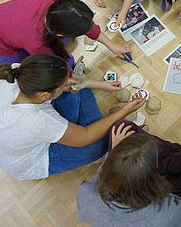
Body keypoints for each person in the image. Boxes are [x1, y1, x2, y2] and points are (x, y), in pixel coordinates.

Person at [0, 54, 145, 180]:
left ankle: (75, 120)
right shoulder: (38, 119)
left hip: (18, 139)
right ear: (44, 95)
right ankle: (91, 138)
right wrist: (124, 111)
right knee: (104, 141)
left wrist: (95, 84)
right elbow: (85, 136)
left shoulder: (18, 75)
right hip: (32, 160)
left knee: (75, 90)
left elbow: (71, 84)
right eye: (63, 84)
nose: (70, 81)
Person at [77, 121, 181, 227]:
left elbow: (103, 176)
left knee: (121, 126)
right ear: (154, 180)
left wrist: (115, 151)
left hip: (142, 191)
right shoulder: (162, 215)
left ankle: (174, 156)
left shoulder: (86, 194)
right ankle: (178, 155)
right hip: (174, 208)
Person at [0, 0, 131, 65]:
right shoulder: (36, 41)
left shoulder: (61, 3)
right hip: (4, 47)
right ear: (59, 33)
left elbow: (85, 24)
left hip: (13, 23)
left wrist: (112, 45)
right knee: (65, 63)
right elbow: (54, 65)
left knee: (65, 59)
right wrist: (73, 79)